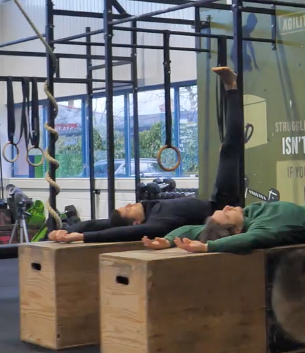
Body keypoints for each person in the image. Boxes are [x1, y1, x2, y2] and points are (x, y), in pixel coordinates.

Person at [143, 67, 305, 254]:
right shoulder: (263, 229)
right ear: (236, 230)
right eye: (226, 214)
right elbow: (251, 240)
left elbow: (191, 229)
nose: (226, 208)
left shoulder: (249, 215)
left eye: (222, 211)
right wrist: (208, 247)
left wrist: (168, 240)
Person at [48, 67, 244, 244]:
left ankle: (232, 87)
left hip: (216, 204)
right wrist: (81, 237)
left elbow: (99, 224)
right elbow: (118, 233)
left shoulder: (152, 208)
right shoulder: (156, 224)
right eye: (128, 209)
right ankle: (232, 87)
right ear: (136, 222)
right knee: (230, 148)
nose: (129, 204)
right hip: (221, 210)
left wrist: (66, 230)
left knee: (229, 149)